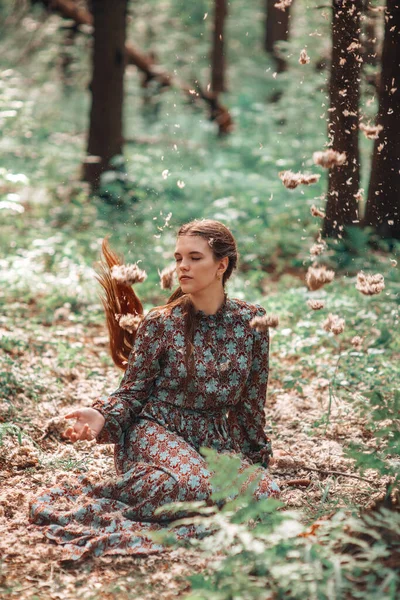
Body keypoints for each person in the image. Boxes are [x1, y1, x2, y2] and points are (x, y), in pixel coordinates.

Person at [29, 219, 282, 562]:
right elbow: (133, 392)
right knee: (196, 486)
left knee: (264, 492)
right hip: (154, 429)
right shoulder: (160, 323)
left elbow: (251, 403)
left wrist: (256, 459)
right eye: (179, 258)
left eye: (194, 258)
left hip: (211, 437)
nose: (182, 266)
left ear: (222, 264)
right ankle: (130, 486)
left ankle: (174, 484)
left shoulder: (251, 322)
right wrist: (101, 416)